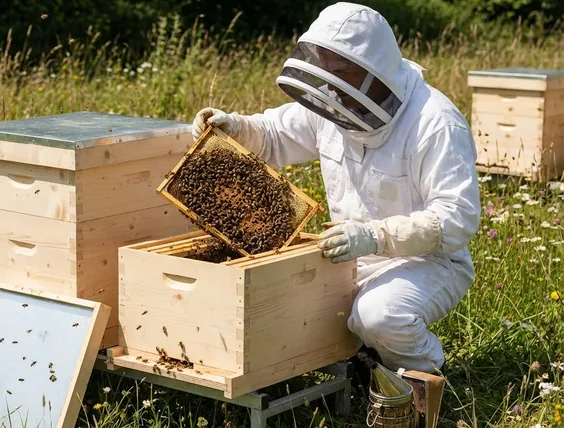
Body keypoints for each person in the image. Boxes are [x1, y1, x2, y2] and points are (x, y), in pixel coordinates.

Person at [192, 2, 480, 389]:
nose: (330, 85)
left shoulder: (435, 123)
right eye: (324, 69)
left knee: (379, 315)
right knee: (276, 293)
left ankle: (424, 376)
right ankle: (360, 360)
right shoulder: (334, 103)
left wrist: (376, 235)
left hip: (427, 261)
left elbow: (456, 219)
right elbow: (276, 134)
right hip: (350, 255)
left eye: (340, 73)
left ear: (373, 69)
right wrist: (236, 126)